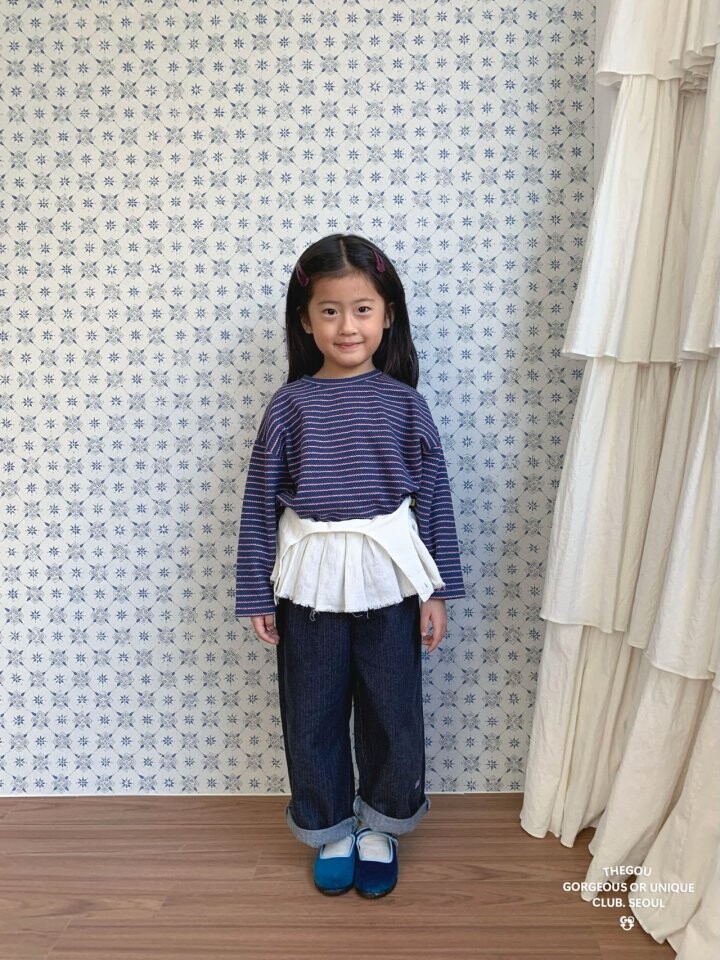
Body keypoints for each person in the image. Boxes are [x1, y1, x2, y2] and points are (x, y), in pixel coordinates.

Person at [235, 233, 465, 898]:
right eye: (330, 311)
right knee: (312, 712)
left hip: (389, 580)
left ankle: (382, 825)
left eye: (362, 309)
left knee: (393, 709)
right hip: (308, 585)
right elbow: (259, 500)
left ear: (388, 314)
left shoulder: (405, 404)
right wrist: (255, 593)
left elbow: (434, 500)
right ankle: (330, 826)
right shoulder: (290, 405)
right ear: (305, 321)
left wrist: (436, 591)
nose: (347, 326)